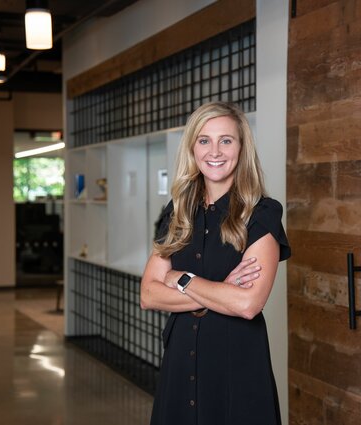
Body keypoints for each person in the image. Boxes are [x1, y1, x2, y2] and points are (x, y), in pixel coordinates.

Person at [141, 101, 290, 425]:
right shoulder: (178, 210)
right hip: (180, 363)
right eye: (204, 140)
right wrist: (221, 292)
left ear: (241, 147)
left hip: (236, 365)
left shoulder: (262, 213)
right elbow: (149, 295)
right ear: (192, 148)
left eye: (226, 140)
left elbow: (248, 304)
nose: (215, 151)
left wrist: (182, 279)